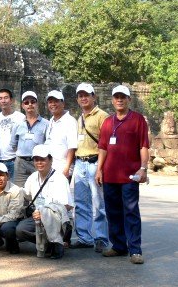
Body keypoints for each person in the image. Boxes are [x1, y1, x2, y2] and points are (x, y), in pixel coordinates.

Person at [96, 85, 149, 265]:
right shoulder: (107, 122)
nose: (119, 100)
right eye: (116, 97)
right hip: (110, 175)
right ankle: (119, 246)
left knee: (131, 212)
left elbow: (143, 146)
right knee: (113, 212)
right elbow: (102, 147)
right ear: (112, 100)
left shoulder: (138, 120)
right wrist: (99, 170)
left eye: (123, 97)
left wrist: (143, 168)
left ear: (129, 100)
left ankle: (135, 250)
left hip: (129, 176)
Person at [16, 145, 73, 260]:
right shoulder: (32, 177)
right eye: (36, 160)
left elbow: (66, 206)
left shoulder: (59, 178)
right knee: (20, 230)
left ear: (50, 160)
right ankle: (47, 244)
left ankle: (58, 243)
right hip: (37, 217)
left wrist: (44, 212)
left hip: (58, 219)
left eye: (43, 159)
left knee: (51, 217)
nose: (39, 163)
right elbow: (25, 195)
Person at [70, 83, 109, 252]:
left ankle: (101, 237)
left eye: (87, 95)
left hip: (95, 163)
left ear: (94, 97)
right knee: (81, 202)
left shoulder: (102, 116)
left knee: (99, 203)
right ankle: (85, 237)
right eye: (80, 96)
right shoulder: (80, 118)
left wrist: (100, 168)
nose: (83, 98)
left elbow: (106, 144)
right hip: (80, 163)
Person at [10, 91, 49, 187]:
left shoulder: (46, 124)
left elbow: (48, 144)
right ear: (23, 105)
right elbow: (14, 144)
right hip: (20, 163)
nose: (30, 104)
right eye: (26, 102)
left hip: (38, 162)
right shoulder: (18, 124)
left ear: (37, 104)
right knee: (19, 191)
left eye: (32, 102)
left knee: (39, 189)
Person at [0, 89, 26, 180]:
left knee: (14, 188)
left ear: (11, 100)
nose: (3, 101)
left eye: (6, 98)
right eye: (0, 98)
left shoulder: (20, 117)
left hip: (15, 159)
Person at [44, 90, 78, 177]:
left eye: (56, 101)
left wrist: (67, 168)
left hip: (62, 168)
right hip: (50, 168)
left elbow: (72, 147)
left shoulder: (70, 121)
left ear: (63, 103)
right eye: (50, 102)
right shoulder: (51, 121)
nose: (53, 104)